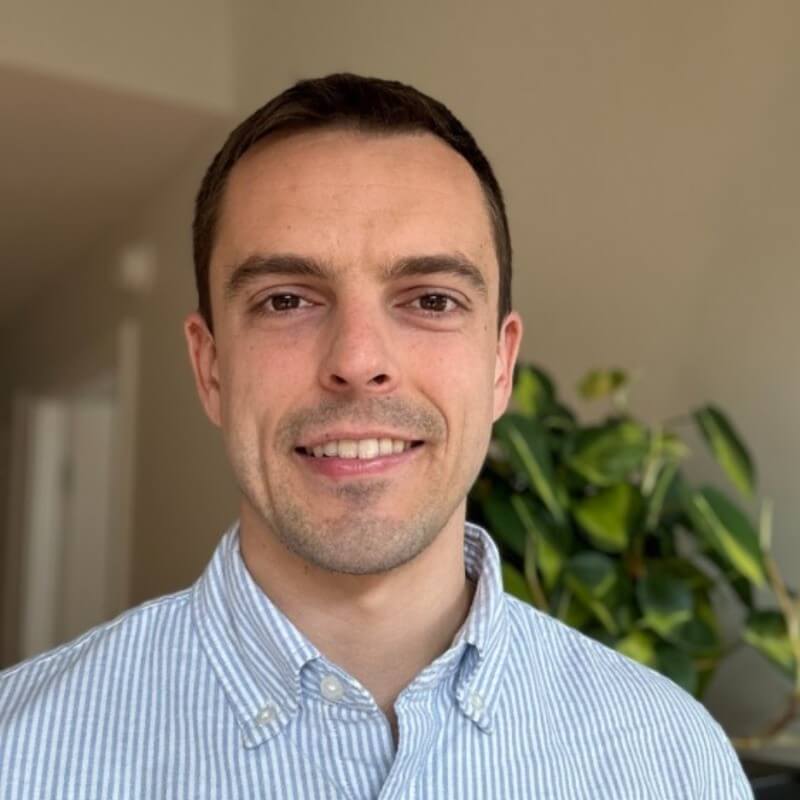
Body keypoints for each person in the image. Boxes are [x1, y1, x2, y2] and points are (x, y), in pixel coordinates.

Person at [0, 73, 752, 799]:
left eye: (431, 300)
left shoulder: (671, 759)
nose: (359, 361)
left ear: (500, 367)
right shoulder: (20, 753)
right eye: (286, 300)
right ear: (211, 368)